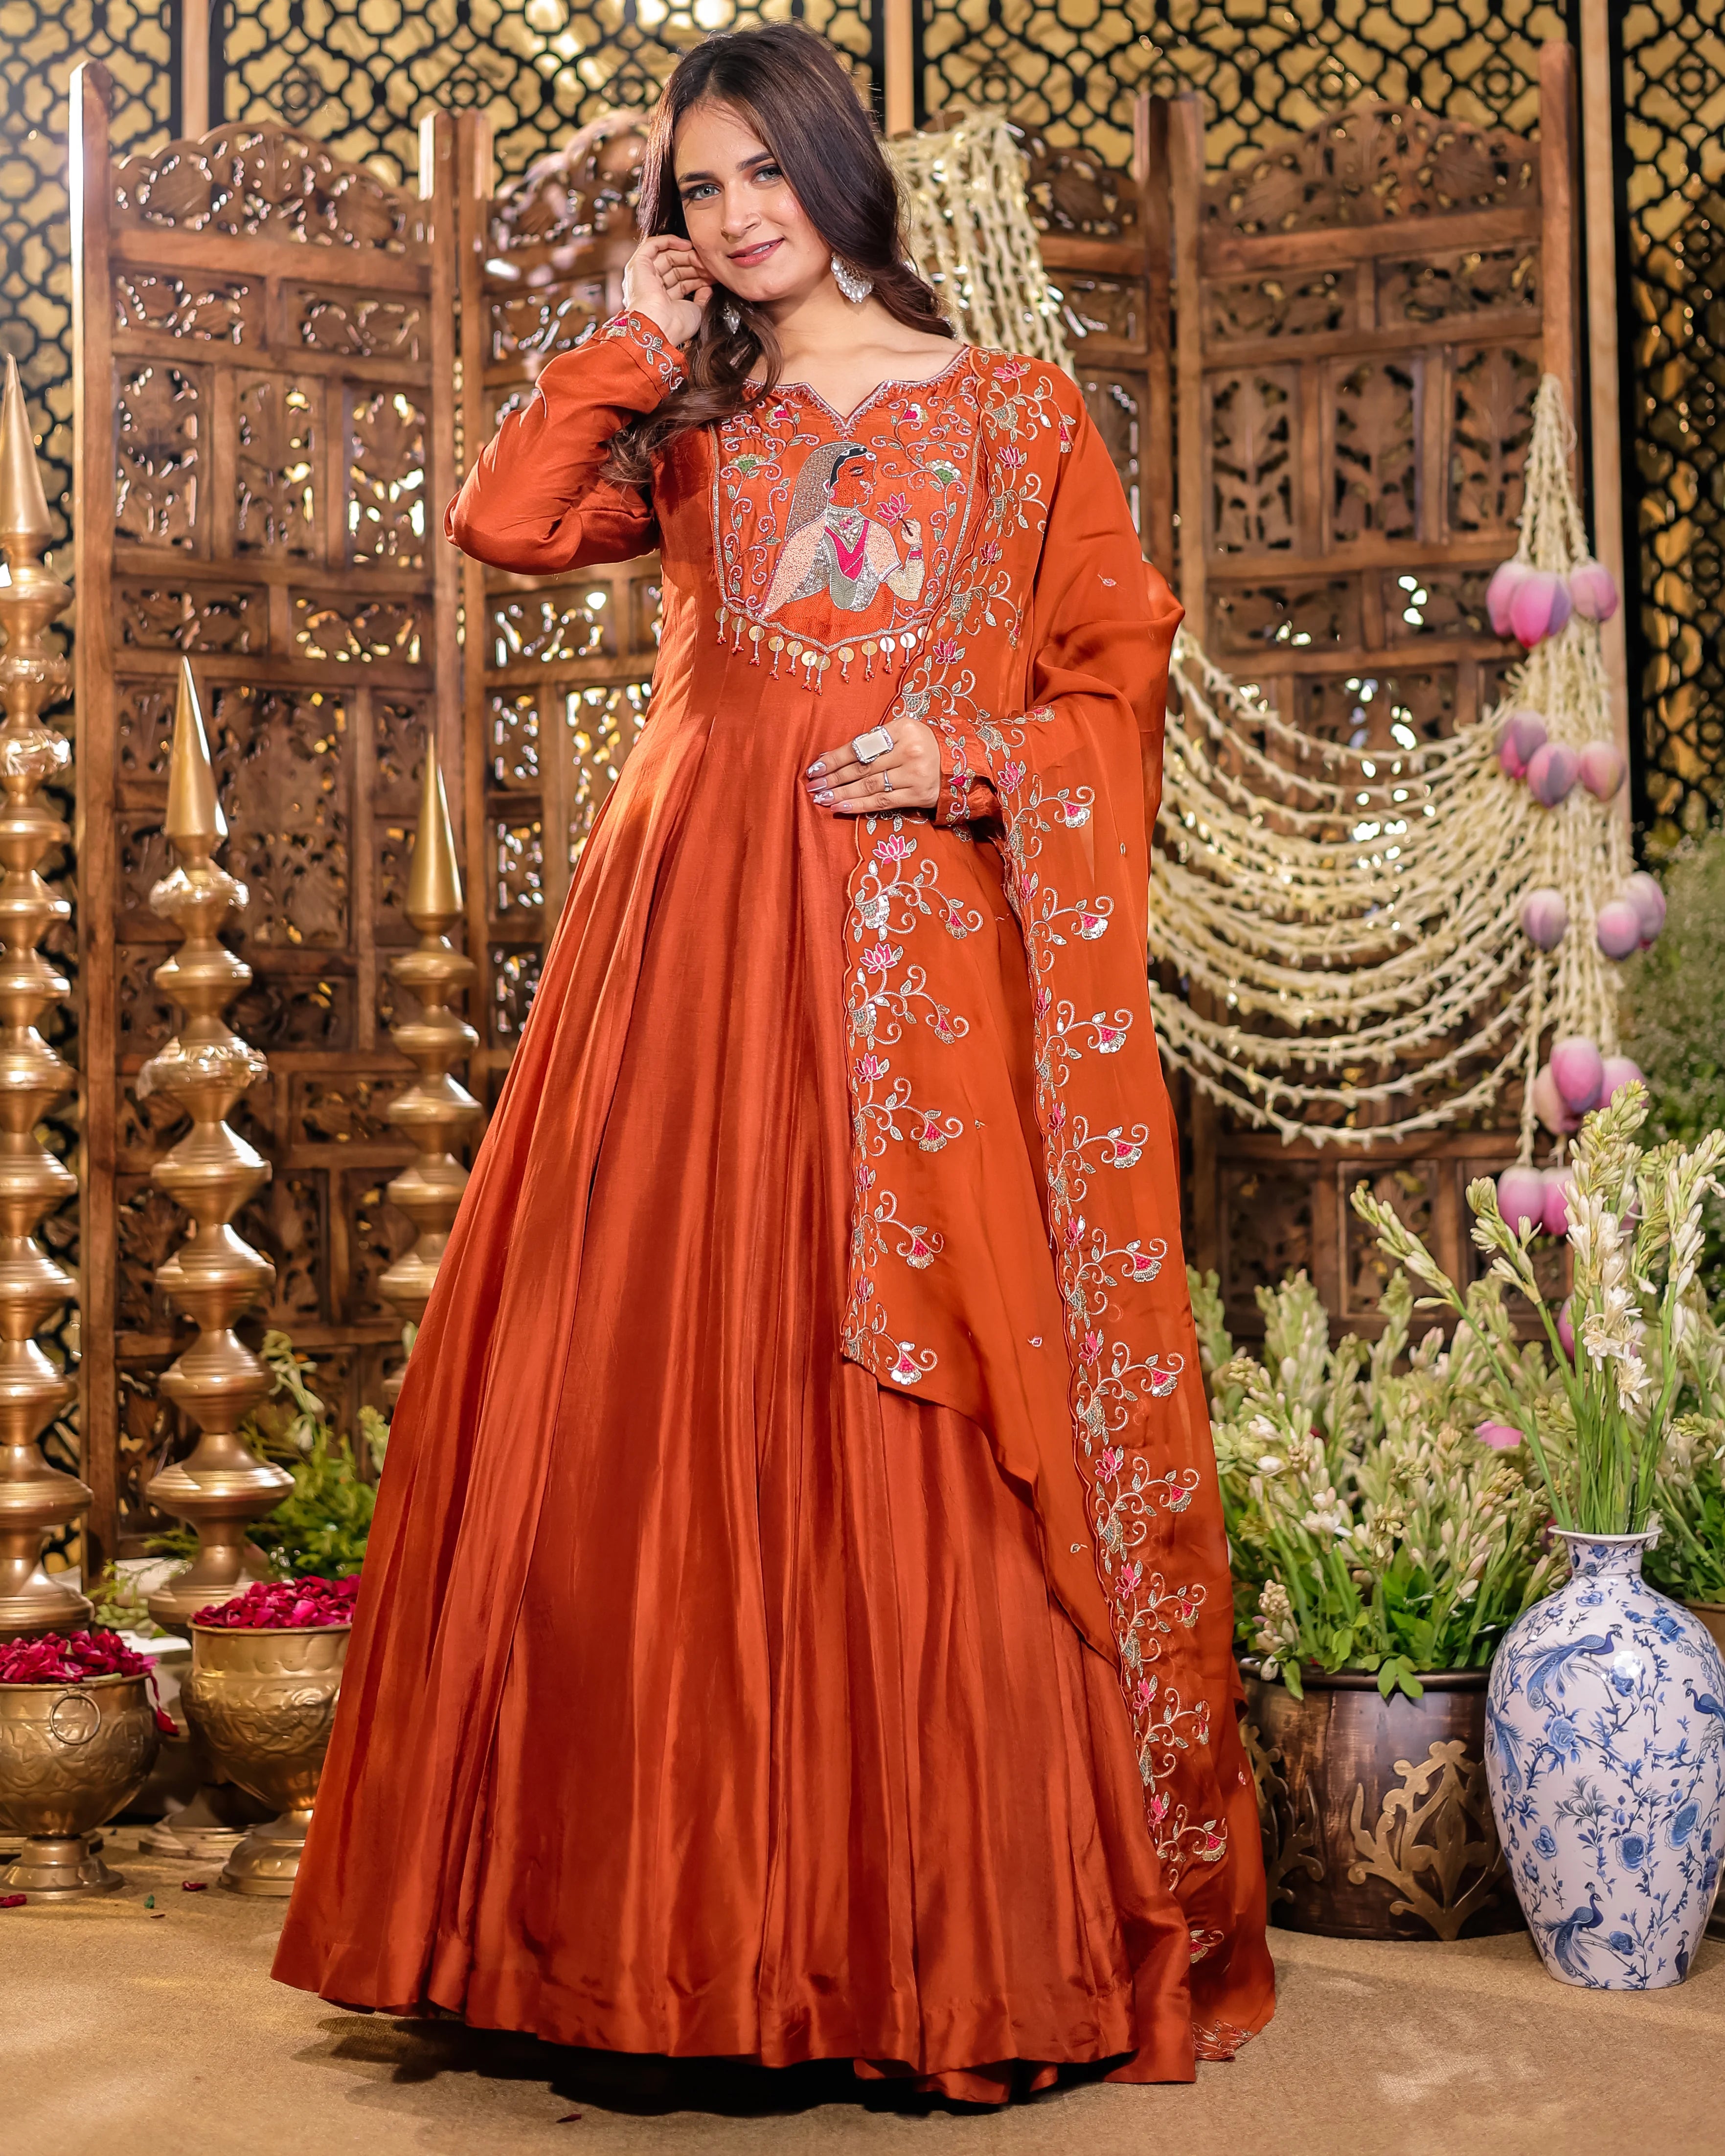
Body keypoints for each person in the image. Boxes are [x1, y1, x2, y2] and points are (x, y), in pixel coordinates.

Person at [273, 22, 1273, 2102]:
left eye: (761, 179)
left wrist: (978, 760)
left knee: (898, 1398)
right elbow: (505, 523)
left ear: (840, 172)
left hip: (897, 946)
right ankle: (641, 1950)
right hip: (685, 933)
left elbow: (1115, 671)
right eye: (698, 192)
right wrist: (622, 342)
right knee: (646, 1387)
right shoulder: (693, 423)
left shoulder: (1010, 417)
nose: (736, 221)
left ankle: (894, 1951)